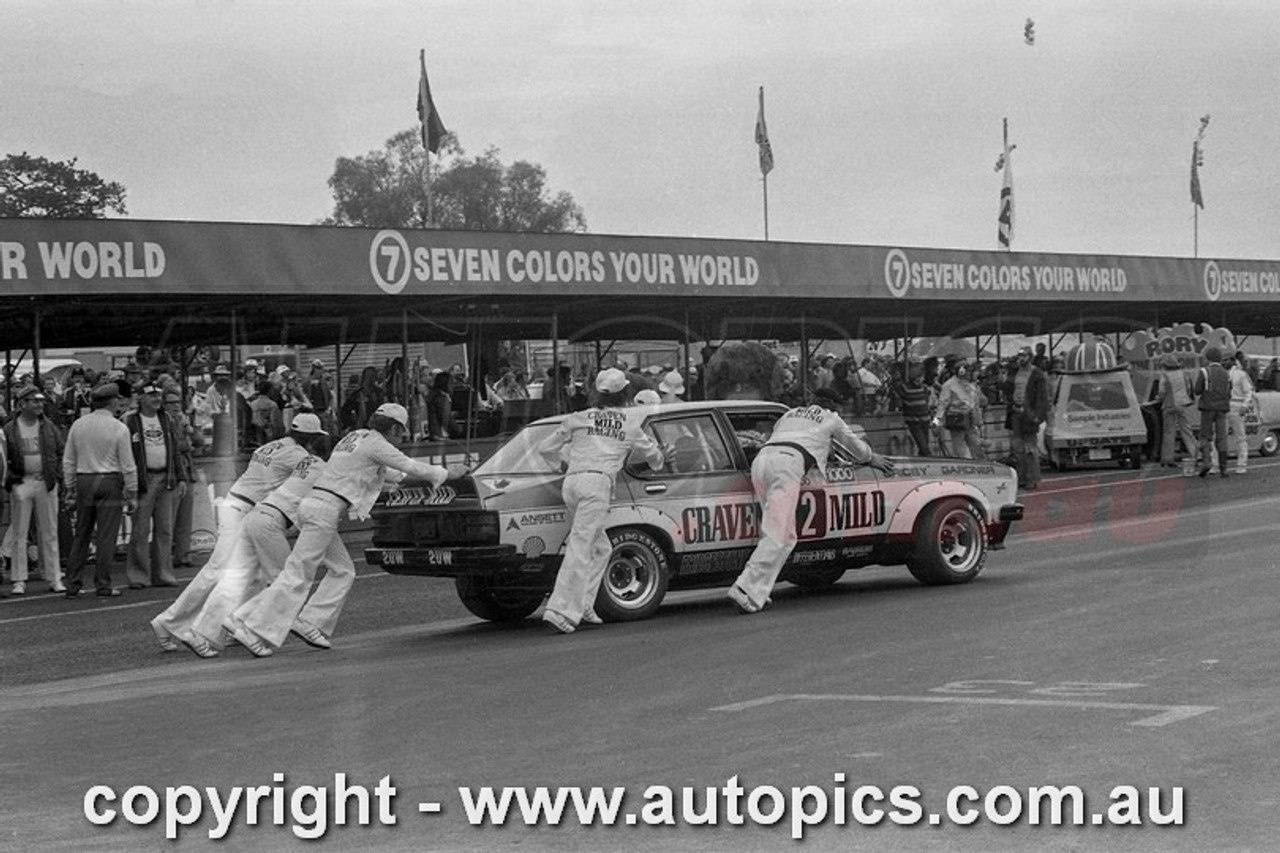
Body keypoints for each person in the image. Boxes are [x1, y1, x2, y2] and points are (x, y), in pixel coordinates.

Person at [225, 403, 453, 655]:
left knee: (343, 570)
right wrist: (445, 473)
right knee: (297, 575)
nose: (402, 437)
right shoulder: (377, 444)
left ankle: (309, 622)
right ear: (394, 428)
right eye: (402, 432)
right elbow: (408, 465)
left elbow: (389, 473)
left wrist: (413, 478)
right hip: (324, 510)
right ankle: (250, 627)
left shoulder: (355, 437)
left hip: (315, 506)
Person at [149, 412, 330, 651]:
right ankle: (169, 622)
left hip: (239, 506)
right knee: (217, 571)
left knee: (254, 575)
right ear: (310, 438)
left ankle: (237, 626)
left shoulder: (270, 446)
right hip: (245, 509)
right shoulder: (297, 455)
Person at [727, 403, 895, 614]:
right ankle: (744, 588)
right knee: (779, 535)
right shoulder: (831, 417)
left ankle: (757, 591)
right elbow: (854, 446)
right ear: (834, 406)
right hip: (787, 465)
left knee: (781, 534)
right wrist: (870, 457)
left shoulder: (790, 414)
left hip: (761, 462)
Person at [535, 368, 667, 634]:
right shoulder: (629, 424)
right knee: (581, 547)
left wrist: (562, 462)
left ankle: (585, 604)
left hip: (572, 484)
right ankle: (561, 611)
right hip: (597, 485)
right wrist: (660, 458)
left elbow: (544, 448)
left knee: (601, 548)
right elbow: (654, 458)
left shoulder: (578, 418)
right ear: (625, 393)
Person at [62, 383, 137, 598]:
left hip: (84, 478)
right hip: (109, 480)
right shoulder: (119, 427)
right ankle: (103, 584)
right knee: (106, 536)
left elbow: (69, 460)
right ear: (112, 401)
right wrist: (132, 492)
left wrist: (70, 487)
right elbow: (128, 464)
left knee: (82, 534)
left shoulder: (78, 425)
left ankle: (73, 583)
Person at [3, 386, 65, 594]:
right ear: (22, 404)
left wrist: (56, 476)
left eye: (40, 401)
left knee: (49, 531)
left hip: (45, 482)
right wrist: (11, 480)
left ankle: (54, 577)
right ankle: (19, 579)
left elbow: (60, 450)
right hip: (21, 482)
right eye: (34, 401)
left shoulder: (48, 426)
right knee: (19, 532)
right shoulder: (10, 428)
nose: (39, 405)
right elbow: (4, 455)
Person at [122, 384, 181, 588]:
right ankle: (139, 576)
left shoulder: (166, 418)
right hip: (143, 481)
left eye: (158, 395)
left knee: (165, 530)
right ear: (141, 398)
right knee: (140, 530)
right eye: (151, 395)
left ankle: (163, 574)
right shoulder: (130, 420)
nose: (156, 399)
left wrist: (180, 477)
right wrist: (128, 482)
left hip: (166, 477)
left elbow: (175, 449)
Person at [164, 390, 201, 568]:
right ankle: (165, 558)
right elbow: (173, 446)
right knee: (169, 519)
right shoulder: (162, 422)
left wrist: (190, 429)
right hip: (171, 474)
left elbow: (199, 442)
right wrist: (186, 444)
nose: (176, 406)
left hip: (187, 471)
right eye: (171, 403)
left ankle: (183, 555)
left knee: (185, 518)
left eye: (177, 402)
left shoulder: (183, 421)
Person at [1005, 346, 1049, 490]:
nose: (1021, 359)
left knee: (1030, 448)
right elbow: (1007, 388)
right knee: (1018, 448)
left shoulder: (1037, 373)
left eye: (1023, 356)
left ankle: (1032, 478)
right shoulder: (1015, 372)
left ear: (1030, 357)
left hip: (1029, 413)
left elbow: (1042, 397)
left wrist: (1038, 416)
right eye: (1019, 356)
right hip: (1016, 412)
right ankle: (1022, 477)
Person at [1193, 345, 1232, 478]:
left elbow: (1197, 390)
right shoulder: (1226, 373)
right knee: (1221, 437)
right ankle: (1224, 469)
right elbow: (1229, 391)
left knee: (1205, 436)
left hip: (1207, 408)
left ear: (1208, 358)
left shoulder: (1204, 371)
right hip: (1222, 408)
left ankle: (1206, 462)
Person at [934, 362, 986, 459]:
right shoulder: (949, 385)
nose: (971, 374)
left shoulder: (971, 385)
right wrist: (936, 423)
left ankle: (981, 464)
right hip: (956, 420)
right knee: (960, 449)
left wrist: (979, 421)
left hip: (971, 420)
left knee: (977, 446)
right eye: (969, 371)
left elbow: (975, 404)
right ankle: (964, 465)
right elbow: (941, 406)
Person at [1156, 354, 1197, 476]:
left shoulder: (1164, 376)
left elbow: (1162, 392)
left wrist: (1158, 398)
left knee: (1169, 432)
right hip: (1182, 404)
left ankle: (1167, 458)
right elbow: (1189, 389)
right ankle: (1195, 454)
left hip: (1169, 405)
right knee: (1186, 430)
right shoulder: (1184, 374)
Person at [896, 358, 934, 456]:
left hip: (925, 420)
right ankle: (927, 457)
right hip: (914, 421)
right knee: (924, 446)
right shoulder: (904, 388)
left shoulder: (924, 388)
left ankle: (923, 460)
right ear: (916, 377)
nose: (923, 379)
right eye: (922, 377)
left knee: (924, 444)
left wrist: (934, 422)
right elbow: (899, 399)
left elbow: (928, 404)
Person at [1227, 351, 1256, 475]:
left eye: (1227, 360)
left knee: (1240, 436)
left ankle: (1242, 464)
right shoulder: (1221, 373)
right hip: (1223, 406)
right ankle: (1216, 464)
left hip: (1236, 404)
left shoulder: (1240, 374)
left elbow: (1249, 391)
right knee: (1219, 436)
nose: (1224, 362)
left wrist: (1245, 405)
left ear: (1233, 361)